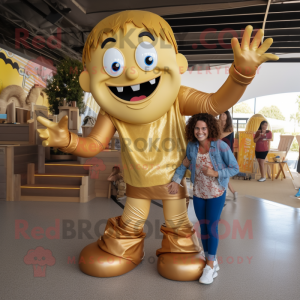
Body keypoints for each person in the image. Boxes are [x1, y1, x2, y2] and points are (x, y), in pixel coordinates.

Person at [168, 113, 239, 284]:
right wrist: (175, 181)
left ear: (209, 129)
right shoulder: (191, 147)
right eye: (197, 128)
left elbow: (234, 167)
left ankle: (209, 267)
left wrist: (216, 173)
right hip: (199, 193)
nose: (200, 131)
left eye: (204, 128)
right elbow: (184, 165)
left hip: (216, 193)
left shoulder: (220, 146)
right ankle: (212, 260)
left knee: (212, 226)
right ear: (193, 129)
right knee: (203, 227)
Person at [219, 111, 237, 201]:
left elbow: (220, 136)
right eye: (221, 114)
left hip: (227, 152)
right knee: (222, 172)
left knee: (224, 172)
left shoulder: (230, 127)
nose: (222, 115)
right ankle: (232, 192)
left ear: (227, 116)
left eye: (224, 114)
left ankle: (227, 191)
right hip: (218, 151)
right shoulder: (217, 125)